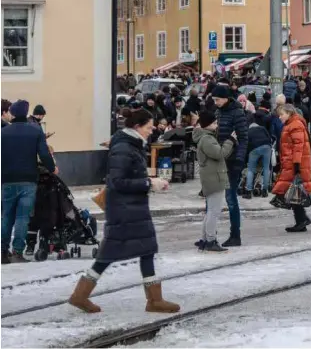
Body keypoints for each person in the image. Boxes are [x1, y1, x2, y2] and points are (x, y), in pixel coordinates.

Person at [68, 108, 179, 314]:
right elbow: (117, 182)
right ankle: (80, 295)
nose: (151, 130)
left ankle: (154, 300)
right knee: (108, 254)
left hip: (132, 208)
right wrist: (149, 183)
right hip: (124, 210)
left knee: (146, 249)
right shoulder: (124, 148)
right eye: (148, 127)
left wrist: (151, 183)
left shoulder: (131, 145)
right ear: (137, 127)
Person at [1, 100, 57, 264]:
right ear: (26, 113)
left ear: (12, 113)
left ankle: (2, 251)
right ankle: (17, 252)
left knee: (6, 216)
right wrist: (52, 168)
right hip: (28, 179)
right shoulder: (35, 131)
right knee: (22, 217)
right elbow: (44, 154)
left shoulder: (3, 132)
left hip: (7, 179)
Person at [193, 111, 237, 252]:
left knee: (210, 211)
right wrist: (231, 140)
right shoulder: (207, 139)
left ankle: (205, 239)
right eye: (214, 123)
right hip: (214, 178)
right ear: (208, 124)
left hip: (211, 177)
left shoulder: (205, 137)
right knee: (214, 211)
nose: (217, 125)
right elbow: (220, 153)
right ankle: (211, 240)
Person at [212, 85, 248, 247]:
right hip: (218, 159)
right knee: (212, 198)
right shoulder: (218, 112)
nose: (216, 102)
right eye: (214, 100)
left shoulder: (237, 112)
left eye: (217, 99)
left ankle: (235, 235)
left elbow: (244, 138)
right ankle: (210, 236)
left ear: (226, 98)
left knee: (230, 198)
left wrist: (239, 161)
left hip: (233, 161)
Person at [272, 105, 311, 232]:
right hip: (291, 163)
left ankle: (302, 220)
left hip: (295, 164)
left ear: (289, 113)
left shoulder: (295, 125)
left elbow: (298, 146)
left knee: (292, 191)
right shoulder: (291, 124)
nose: (280, 117)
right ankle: (302, 220)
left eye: (281, 114)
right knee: (293, 191)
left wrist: (296, 164)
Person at [244, 112, 273, 199]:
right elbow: (269, 138)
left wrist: (246, 158)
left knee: (251, 170)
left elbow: (247, 146)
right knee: (266, 169)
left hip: (254, 149)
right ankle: (265, 191)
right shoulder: (263, 128)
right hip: (267, 147)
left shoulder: (248, 131)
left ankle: (249, 191)